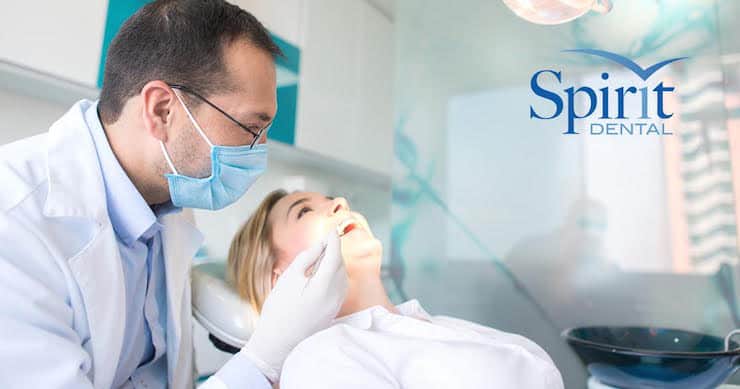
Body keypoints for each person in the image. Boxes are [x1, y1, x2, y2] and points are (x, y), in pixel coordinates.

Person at [0, 1, 348, 388]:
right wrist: (262, 361)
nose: (259, 150)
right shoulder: (12, 222)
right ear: (163, 110)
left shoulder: (172, 204)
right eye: (251, 128)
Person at [227, 190, 566, 388]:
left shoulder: (437, 324)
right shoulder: (320, 358)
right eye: (304, 212)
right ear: (279, 277)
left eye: (332, 198)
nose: (340, 202)